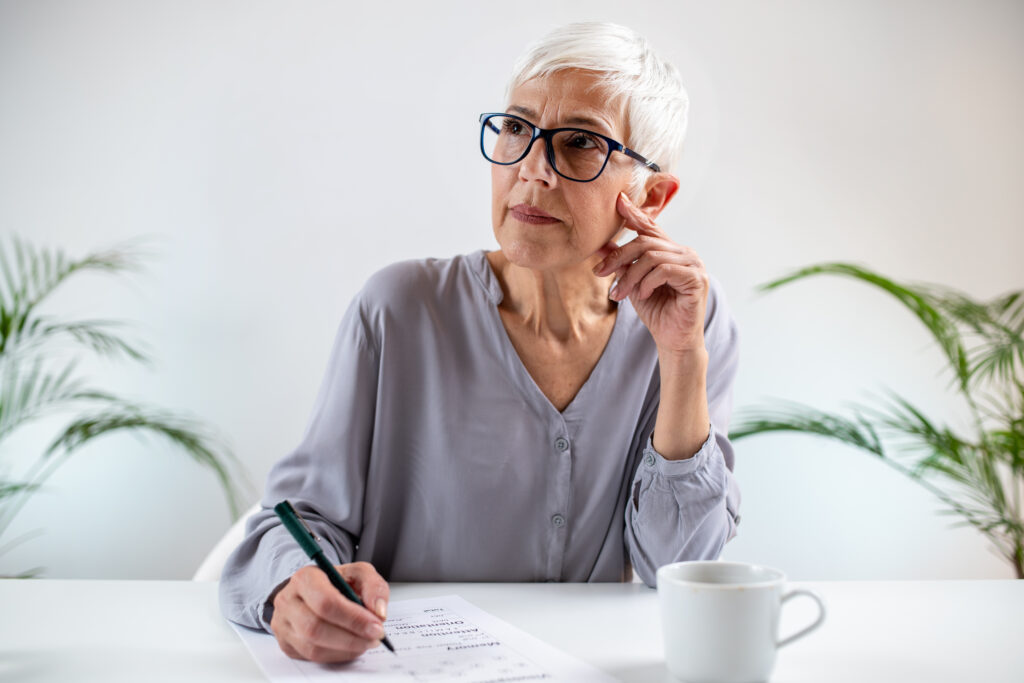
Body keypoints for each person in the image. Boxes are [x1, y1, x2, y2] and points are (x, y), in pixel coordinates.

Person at [219, 21, 741, 664]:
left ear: (651, 195)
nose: (532, 169)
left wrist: (683, 359)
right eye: (518, 128)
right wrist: (292, 590)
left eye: (579, 143)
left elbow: (679, 568)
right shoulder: (400, 309)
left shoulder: (689, 324)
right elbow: (293, 521)